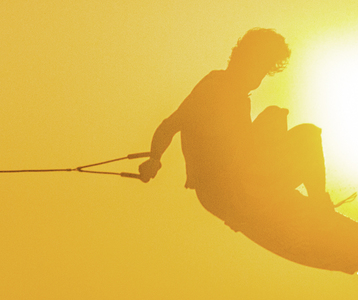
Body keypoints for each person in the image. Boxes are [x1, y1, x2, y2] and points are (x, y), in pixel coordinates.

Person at [129, 28, 333, 220]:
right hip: (227, 191)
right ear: (247, 60)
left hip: (239, 183)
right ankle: (319, 207)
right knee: (308, 135)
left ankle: (286, 195)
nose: (261, 77)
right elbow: (170, 125)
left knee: (275, 116)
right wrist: (154, 158)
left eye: (265, 71)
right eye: (261, 68)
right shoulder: (214, 90)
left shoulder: (236, 93)